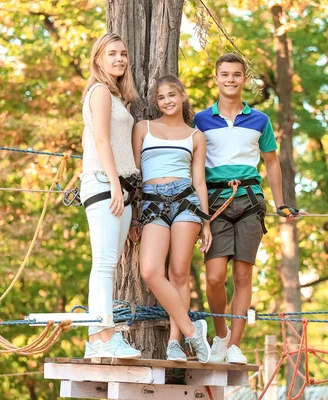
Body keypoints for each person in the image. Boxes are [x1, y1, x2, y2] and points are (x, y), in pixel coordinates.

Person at [194, 53, 301, 364]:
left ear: (244, 79)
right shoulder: (200, 120)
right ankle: (221, 333)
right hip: (214, 202)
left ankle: (235, 346)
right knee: (214, 277)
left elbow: (271, 162)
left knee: (243, 275)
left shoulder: (260, 120)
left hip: (250, 199)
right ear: (216, 79)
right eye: (225, 74)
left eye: (236, 75)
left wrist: (281, 203)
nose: (230, 79)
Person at [132, 75, 213, 363]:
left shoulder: (195, 136)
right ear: (156, 102)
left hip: (185, 200)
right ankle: (194, 330)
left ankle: (175, 342)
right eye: (161, 97)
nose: (167, 101)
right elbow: (135, 175)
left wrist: (206, 223)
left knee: (179, 273)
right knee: (151, 270)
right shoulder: (144, 128)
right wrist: (132, 217)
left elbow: (200, 181)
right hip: (153, 202)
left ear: (182, 96)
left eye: (171, 95)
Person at [80, 33, 142, 359]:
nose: (119, 59)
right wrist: (116, 187)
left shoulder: (118, 97)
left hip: (121, 189)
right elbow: (102, 141)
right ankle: (104, 337)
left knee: (108, 263)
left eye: (123, 53)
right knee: (103, 264)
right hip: (104, 184)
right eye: (112, 53)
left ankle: (97, 338)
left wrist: (127, 193)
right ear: (99, 58)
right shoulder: (100, 91)